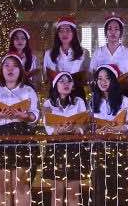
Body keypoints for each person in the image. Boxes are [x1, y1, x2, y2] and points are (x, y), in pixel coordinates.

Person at [0, 53, 39, 206]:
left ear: (20, 70)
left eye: (15, 66)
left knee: (21, 185)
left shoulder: (28, 90)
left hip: (22, 136)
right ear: (1, 69)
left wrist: (24, 116)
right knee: (2, 187)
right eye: (6, 65)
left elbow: (35, 115)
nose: (10, 69)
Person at [42, 71, 88, 206]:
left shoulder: (79, 101)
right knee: (57, 193)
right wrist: (58, 130)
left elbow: (84, 123)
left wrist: (76, 129)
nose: (65, 84)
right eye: (61, 81)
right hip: (56, 147)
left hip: (75, 147)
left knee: (73, 193)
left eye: (69, 81)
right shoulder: (48, 104)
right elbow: (49, 128)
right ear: (55, 85)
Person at [89, 14, 128, 98]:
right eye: (109, 29)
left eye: (116, 29)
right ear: (105, 32)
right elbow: (92, 73)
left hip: (123, 94)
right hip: (102, 95)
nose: (113, 32)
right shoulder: (98, 52)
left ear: (121, 33)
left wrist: (122, 86)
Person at [44, 16, 89, 96]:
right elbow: (46, 77)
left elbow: (88, 76)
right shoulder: (49, 54)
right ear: (57, 34)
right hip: (56, 94)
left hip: (77, 94)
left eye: (68, 30)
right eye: (61, 31)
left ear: (74, 33)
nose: (64, 34)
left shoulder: (84, 53)